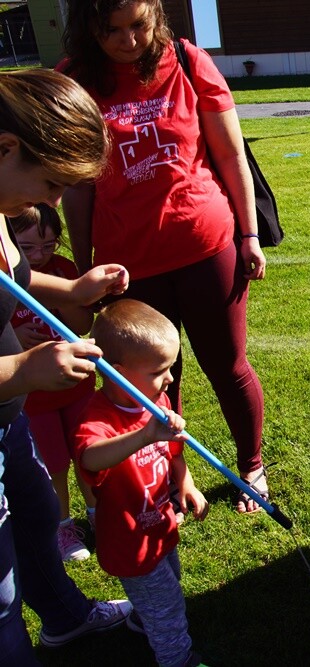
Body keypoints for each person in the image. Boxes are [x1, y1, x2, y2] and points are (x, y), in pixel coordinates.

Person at [59, 0, 269, 515]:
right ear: (88, 26)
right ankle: (179, 472)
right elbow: (77, 185)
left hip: (205, 242)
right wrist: (84, 262)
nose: (127, 41)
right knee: (148, 375)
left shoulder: (189, 61)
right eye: (111, 30)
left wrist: (249, 234)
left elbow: (229, 154)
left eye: (138, 26)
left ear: (156, 18)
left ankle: (252, 467)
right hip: (128, 260)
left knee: (227, 365)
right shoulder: (75, 80)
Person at [0, 67, 133, 666]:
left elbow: (16, 279)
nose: (53, 203)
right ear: (5, 147)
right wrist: (25, 370)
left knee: (35, 522)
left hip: (7, 419)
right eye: (51, 182)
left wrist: (74, 289)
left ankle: (65, 620)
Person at [76, 299, 208, 667]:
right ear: (118, 373)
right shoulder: (100, 416)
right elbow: (89, 456)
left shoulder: (157, 399)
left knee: (170, 581)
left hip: (159, 524)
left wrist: (186, 484)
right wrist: (144, 435)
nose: (169, 378)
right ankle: (177, 658)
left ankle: (140, 618)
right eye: (160, 370)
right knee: (167, 607)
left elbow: (174, 452)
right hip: (129, 536)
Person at [10, 204, 98, 562]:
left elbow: (82, 324)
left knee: (87, 453)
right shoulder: (7, 280)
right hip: (35, 399)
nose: (40, 256)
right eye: (28, 249)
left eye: (48, 246)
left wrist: (66, 298)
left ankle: (97, 515)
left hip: (76, 386)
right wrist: (14, 333)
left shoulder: (62, 272)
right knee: (54, 463)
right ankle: (63, 525)